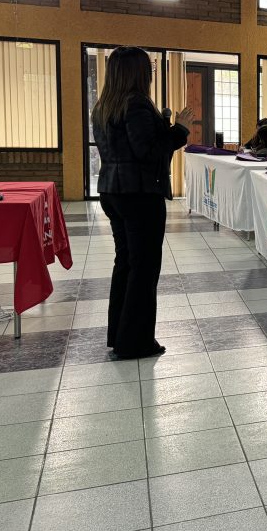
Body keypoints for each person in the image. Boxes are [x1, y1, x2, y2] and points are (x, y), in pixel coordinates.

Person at [92, 47, 192, 359]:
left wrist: (164, 126)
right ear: (138, 72)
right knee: (144, 268)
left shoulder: (104, 105)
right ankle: (135, 342)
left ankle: (120, 336)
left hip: (113, 191)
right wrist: (180, 129)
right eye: (148, 67)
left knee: (126, 263)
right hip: (139, 194)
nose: (150, 72)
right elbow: (148, 152)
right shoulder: (135, 103)